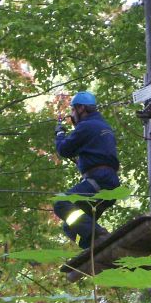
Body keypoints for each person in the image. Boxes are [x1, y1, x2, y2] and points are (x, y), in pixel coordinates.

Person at [53, 91, 120, 249]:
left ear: (81, 108)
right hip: (109, 182)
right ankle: (95, 247)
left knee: (61, 203)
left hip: (99, 180)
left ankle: (99, 235)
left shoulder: (86, 126)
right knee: (70, 227)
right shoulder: (104, 126)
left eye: (73, 110)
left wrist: (60, 133)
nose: (72, 115)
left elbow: (64, 149)